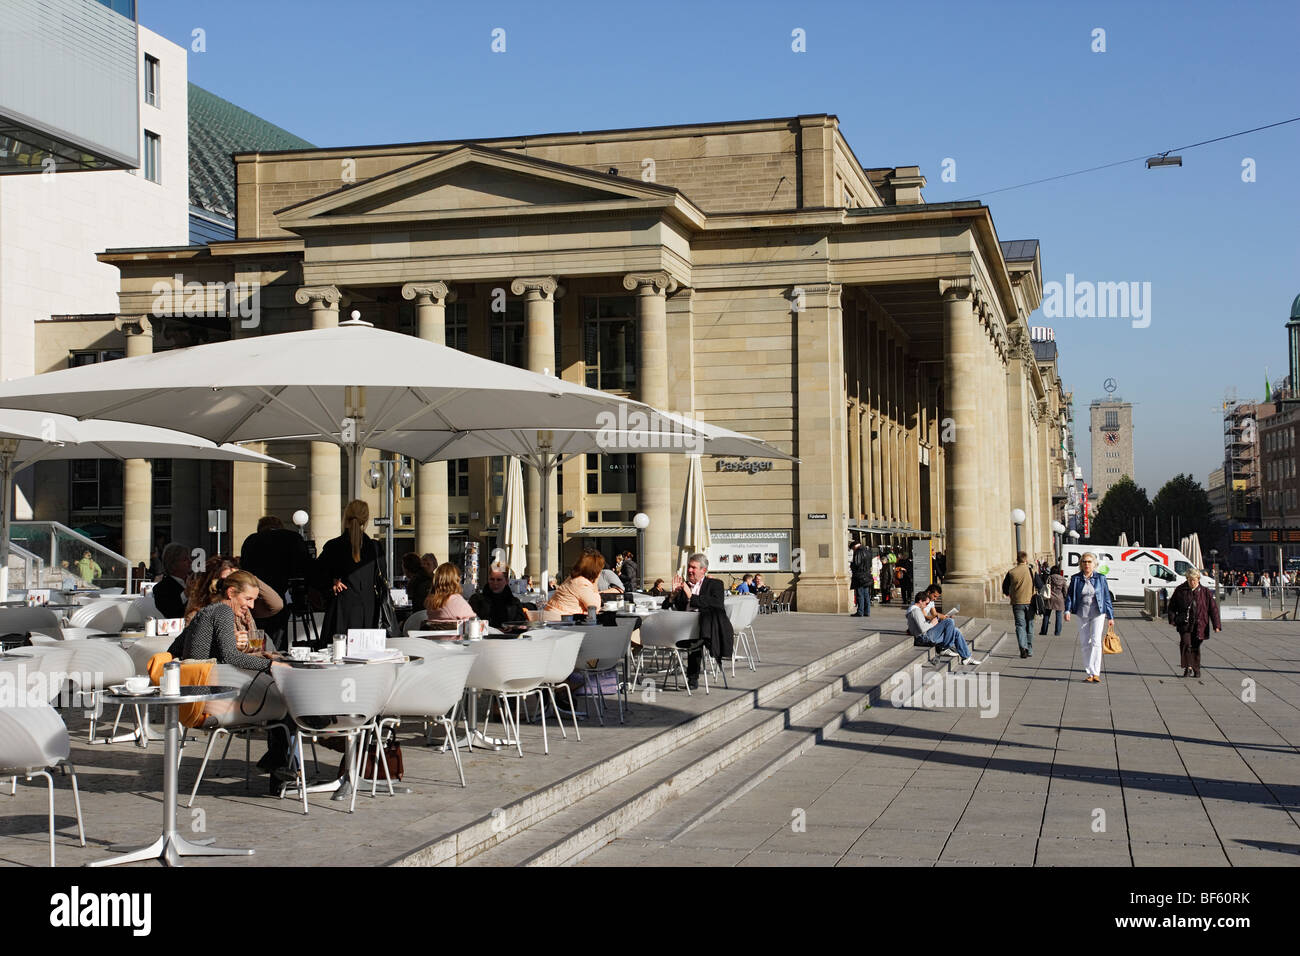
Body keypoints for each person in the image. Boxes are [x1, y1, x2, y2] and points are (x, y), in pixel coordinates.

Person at [314, 499, 386, 639]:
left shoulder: (333, 546)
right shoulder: (374, 548)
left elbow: (316, 574)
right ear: (365, 520)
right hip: (369, 607)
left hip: (342, 607)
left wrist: (332, 582)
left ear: (346, 517)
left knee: (338, 651)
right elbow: (382, 575)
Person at [661, 552, 734, 690]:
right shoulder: (683, 587)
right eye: (689, 567)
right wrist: (672, 595)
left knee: (696, 639)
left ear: (703, 570)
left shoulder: (715, 584)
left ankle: (692, 679)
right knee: (692, 638)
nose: (689, 570)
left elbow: (717, 604)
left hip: (706, 629)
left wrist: (690, 595)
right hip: (682, 629)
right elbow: (665, 608)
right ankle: (691, 676)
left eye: (693, 568)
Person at [239, 515, 310, 645]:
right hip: (281, 594)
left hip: (256, 597)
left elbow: (244, 569)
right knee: (278, 637)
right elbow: (304, 567)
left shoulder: (251, 541)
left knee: (256, 635)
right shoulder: (292, 538)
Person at [1064, 551, 1114, 683]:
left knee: (1096, 641)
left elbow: (1106, 597)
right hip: (1082, 612)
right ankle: (1089, 672)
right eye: (1084, 562)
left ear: (1094, 564)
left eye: (1089, 562)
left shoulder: (1101, 578)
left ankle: (1095, 672)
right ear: (1081, 564)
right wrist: (1067, 610)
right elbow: (1069, 596)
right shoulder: (1076, 579)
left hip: (1098, 612)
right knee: (1085, 642)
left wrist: (1111, 616)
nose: (1087, 564)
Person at [1167, 568, 1221, 678]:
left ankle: (1196, 668)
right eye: (1190, 580)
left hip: (1200, 623)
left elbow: (1213, 609)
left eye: (1194, 580)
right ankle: (1188, 668)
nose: (1192, 582)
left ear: (1198, 579)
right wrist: (1172, 619)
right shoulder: (1180, 590)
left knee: (1196, 646)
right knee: (1186, 644)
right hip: (1185, 623)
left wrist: (1217, 625)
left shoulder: (1205, 592)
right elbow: (1172, 606)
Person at [906, 591, 979, 665]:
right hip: (924, 638)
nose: (926, 606)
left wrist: (935, 621)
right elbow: (922, 628)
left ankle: (966, 657)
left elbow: (921, 624)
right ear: (920, 601)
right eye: (926, 603)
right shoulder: (915, 610)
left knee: (955, 631)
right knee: (949, 621)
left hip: (926, 636)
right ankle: (945, 647)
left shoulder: (915, 610)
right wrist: (932, 624)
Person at [545, 550, 605, 619]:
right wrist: (595, 581)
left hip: (552, 616)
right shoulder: (581, 583)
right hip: (561, 621)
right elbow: (594, 608)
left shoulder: (572, 578)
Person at [1002, 551, 1036, 659]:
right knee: (1030, 625)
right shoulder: (1032, 571)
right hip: (1030, 602)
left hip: (1017, 603)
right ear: (1026, 560)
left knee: (1020, 626)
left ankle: (1022, 648)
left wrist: (1010, 594)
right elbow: (1039, 584)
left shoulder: (1011, 572)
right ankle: (1029, 649)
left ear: (1017, 560)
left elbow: (1005, 587)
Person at [425, 562, 475, 628]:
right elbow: (474, 621)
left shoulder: (431, 602)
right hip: (455, 638)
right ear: (456, 580)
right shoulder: (456, 601)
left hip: (433, 637)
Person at [152, 542, 192, 619]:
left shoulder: (196, 581)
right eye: (185, 559)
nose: (190, 561)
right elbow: (170, 612)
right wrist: (186, 593)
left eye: (189, 558)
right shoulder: (161, 588)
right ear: (173, 564)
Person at [1038, 564, 1067, 637]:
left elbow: (1046, 586)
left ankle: (1044, 631)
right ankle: (1057, 632)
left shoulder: (1050, 578)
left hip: (1050, 597)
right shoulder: (1063, 579)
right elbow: (1065, 591)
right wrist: (1065, 598)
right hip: (1059, 599)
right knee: (1059, 616)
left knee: (1047, 615)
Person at [850, 542, 872, 617]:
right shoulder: (867, 551)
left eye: (852, 548)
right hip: (867, 576)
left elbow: (857, 564)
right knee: (866, 594)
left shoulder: (858, 552)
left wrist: (851, 566)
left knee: (860, 594)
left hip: (860, 576)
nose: (853, 550)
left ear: (855, 546)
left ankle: (860, 611)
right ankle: (867, 611)